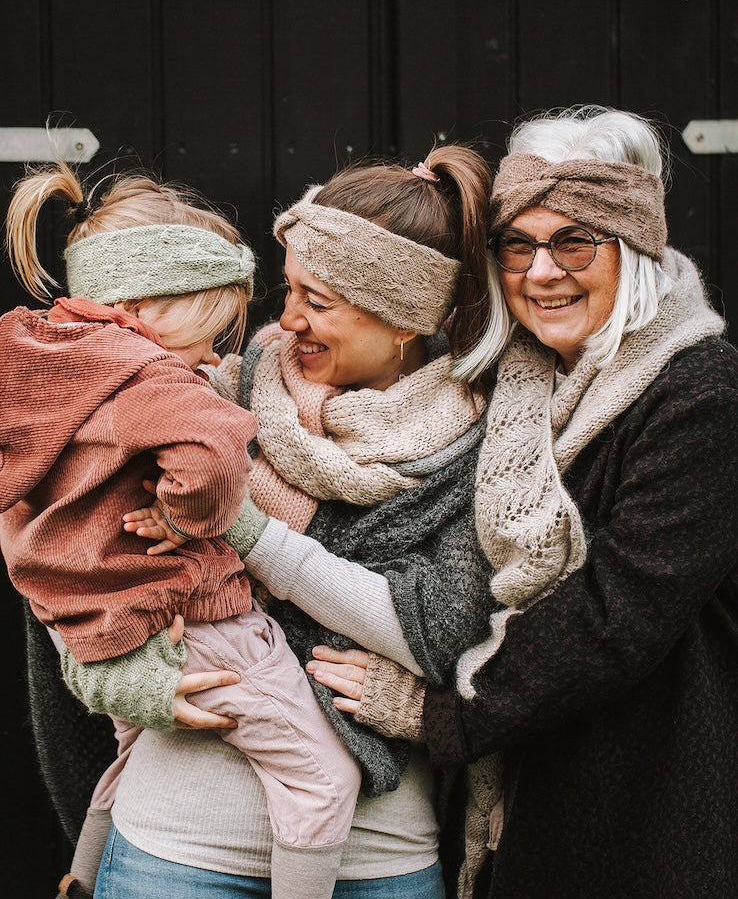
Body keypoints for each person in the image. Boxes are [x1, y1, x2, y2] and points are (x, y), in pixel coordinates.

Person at [37, 144, 499, 899]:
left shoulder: (478, 446)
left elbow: (442, 629)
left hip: (379, 861)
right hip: (175, 848)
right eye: (290, 290)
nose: (285, 320)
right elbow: (70, 549)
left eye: (318, 301)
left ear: (405, 316)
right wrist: (122, 678)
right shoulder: (214, 388)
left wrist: (246, 531)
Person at [308, 106, 738, 899]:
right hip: (524, 798)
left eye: (576, 242)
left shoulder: (698, 389)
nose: (541, 272)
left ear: (636, 242)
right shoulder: (504, 382)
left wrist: (439, 710)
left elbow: (615, 616)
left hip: (643, 804)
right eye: (518, 244)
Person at [0, 161, 363, 899]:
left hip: (108, 625)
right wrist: (187, 515)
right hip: (195, 613)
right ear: (150, 305)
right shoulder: (147, 373)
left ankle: (79, 880)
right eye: (208, 330)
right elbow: (215, 453)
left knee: (129, 757)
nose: (213, 358)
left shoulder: (35, 359)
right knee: (325, 778)